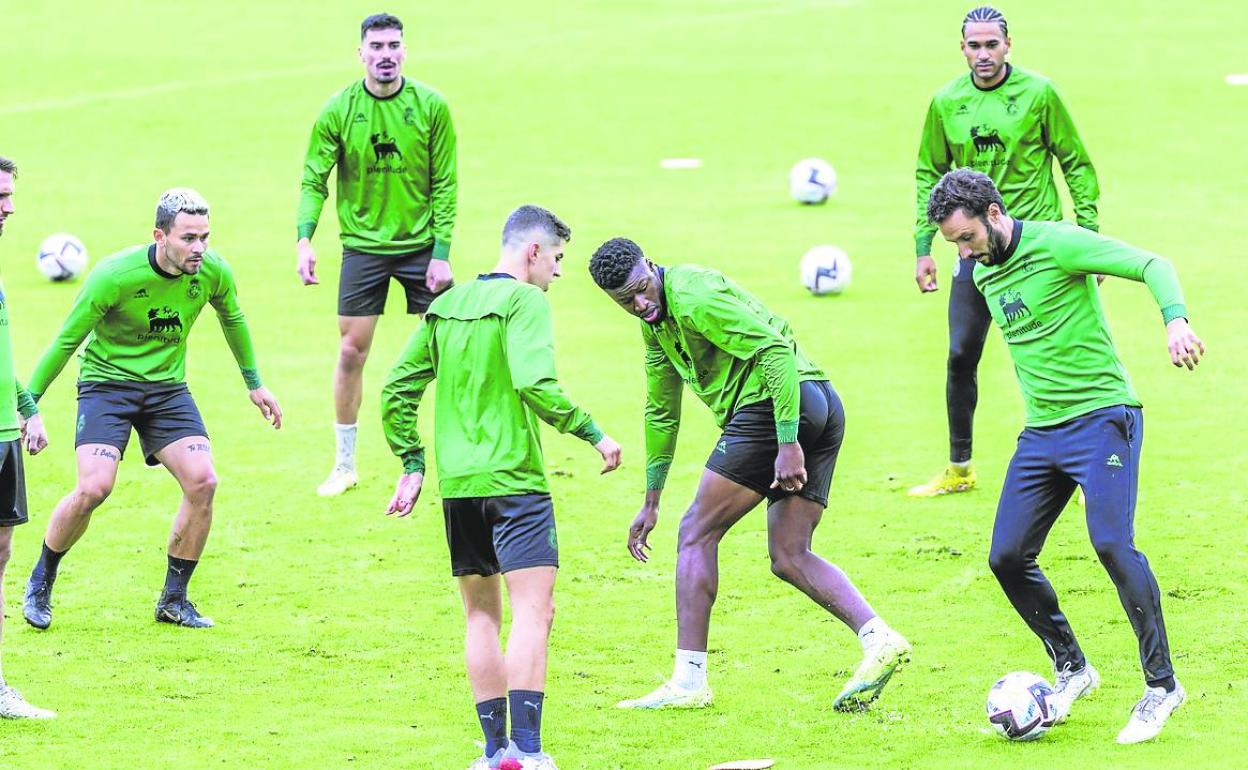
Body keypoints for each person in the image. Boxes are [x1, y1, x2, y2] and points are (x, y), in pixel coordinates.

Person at [927, 168, 1203, 743]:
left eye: (966, 238)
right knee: (1006, 556)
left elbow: (1153, 264)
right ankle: (1073, 666)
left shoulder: (1059, 243)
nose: (963, 252)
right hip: (1043, 434)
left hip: (1104, 419)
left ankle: (1161, 687)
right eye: (953, 243)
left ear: (995, 215)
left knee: (1110, 543)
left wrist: (1175, 319)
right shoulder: (983, 274)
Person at [587, 238, 909, 713]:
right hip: (819, 401)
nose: (640, 304)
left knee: (696, 531)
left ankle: (689, 682)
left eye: (643, 289)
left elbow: (775, 352)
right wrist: (651, 499)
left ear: (651, 266)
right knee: (789, 554)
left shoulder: (693, 295)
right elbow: (661, 411)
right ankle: (880, 639)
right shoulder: (655, 328)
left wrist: (786, 442)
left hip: (777, 405)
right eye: (625, 301)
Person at [381, 206, 621, 770]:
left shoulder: (444, 306)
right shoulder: (525, 301)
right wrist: (594, 432)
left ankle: (494, 754)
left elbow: (396, 387)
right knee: (534, 613)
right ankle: (530, 753)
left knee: (481, 618)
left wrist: (413, 460)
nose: (558, 273)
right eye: (557, 259)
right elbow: (535, 382)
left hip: (460, 487)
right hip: (515, 481)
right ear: (533, 252)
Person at [22, 188, 282, 631]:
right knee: (94, 489)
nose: (199, 248)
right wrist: (28, 407)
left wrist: (254, 384)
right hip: (107, 386)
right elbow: (67, 341)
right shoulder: (114, 276)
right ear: (160, 235)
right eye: (188, 238)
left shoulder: (213, 271)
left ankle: (174, 601)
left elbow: (233, 317)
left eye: (205, 237)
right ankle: (41, 580)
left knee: (204, 481)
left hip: (166, 391)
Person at [909, 5, 1100, 497]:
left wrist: (1089, 232)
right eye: (974, 45)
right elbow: (928, 175)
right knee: (959, 354)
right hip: (976, 253)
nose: (983, 54)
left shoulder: (1039, 93)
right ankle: (959, 467)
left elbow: (1075, 161)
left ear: (1008, 45)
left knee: (1054, 357)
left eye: (992, 44)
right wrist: (923, 245)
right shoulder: (946, 103)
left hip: (1038, 250)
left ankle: (1084, 468)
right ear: (962, 49)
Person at [298, 12, 457, 497]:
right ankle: (345, 464)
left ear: (404, 51)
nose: (386, 54)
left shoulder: (430, 107)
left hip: (420, 249)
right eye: (377, 46)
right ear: (361, 53)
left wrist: (442, 251)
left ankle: (453, 455)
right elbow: (313, 178)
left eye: (394, 45)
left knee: (451, 351)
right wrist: (305, 238)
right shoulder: (339, 110)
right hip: (364, 248)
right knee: (351, 351)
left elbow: (445, 183)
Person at [0, 155, 54, 718]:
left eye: (10, 195)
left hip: (5, 433)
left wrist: (26, 406)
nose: (9, 207)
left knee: (0, 554)